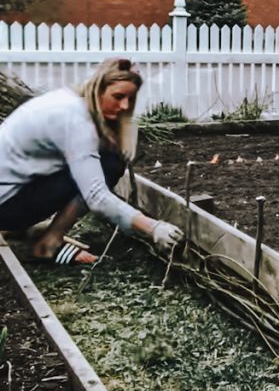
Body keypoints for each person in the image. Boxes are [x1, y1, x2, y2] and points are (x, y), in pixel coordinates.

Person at [0, 57, 183, 264]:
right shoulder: (76, 121)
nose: (125, 105)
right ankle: (48, 245)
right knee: (109, 165)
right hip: (6, 205)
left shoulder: (70, 99)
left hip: (10, 193)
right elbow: (96, 196)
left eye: (130, 99)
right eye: (118, 96)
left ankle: (22, 229)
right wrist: (155, 228)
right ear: (99, 89)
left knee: (107, 158)